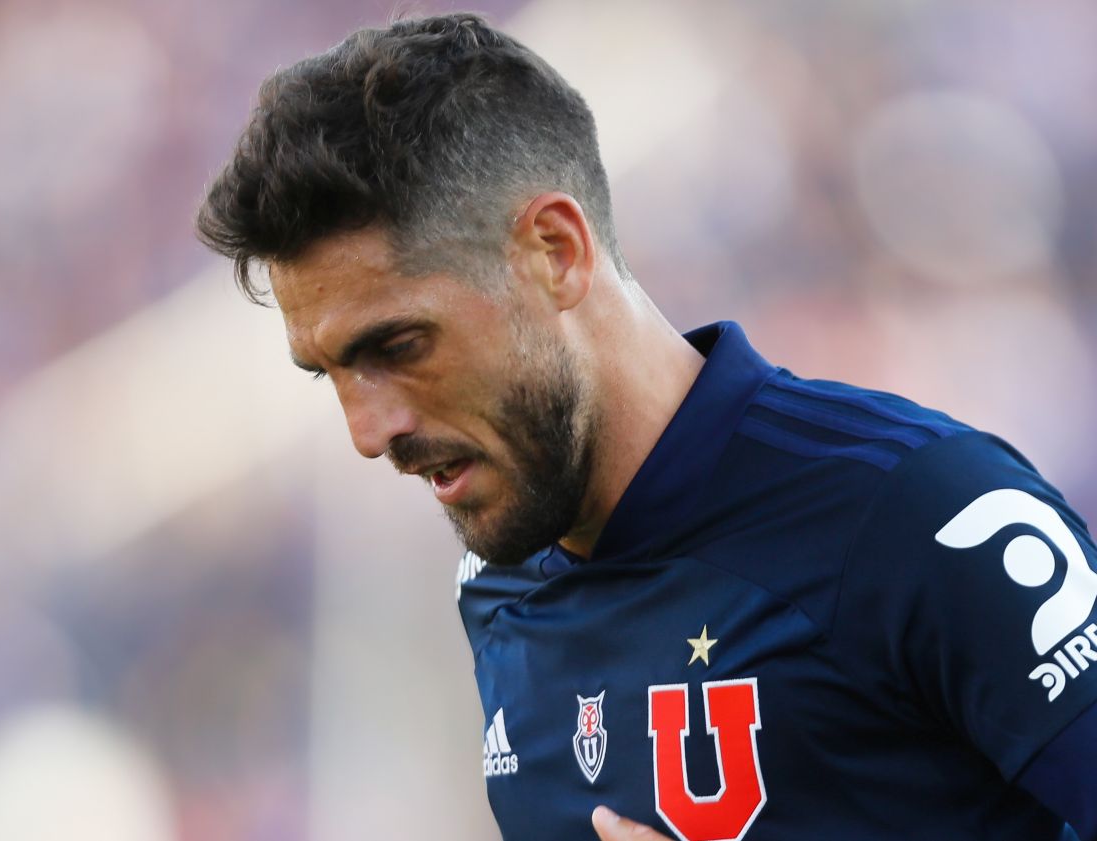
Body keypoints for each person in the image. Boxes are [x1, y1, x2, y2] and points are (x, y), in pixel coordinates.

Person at [194, 12, 1097, 841]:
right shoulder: (497, 584)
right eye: (330, 373)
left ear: (555, 252)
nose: (367, 430)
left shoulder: (931, 515)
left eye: (398, 344)